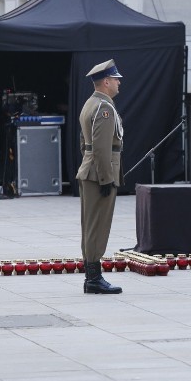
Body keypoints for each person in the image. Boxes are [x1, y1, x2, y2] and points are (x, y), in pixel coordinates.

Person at [76, 59, 124, 294]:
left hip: (89, 170)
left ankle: (91, 275)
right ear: (106, 82)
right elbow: (102, 147)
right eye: (116, 79)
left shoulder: (90, 104)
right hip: (99, 175)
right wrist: (106, 178)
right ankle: (93, 278)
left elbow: (83, 144)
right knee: (97, 227)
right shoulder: (105, 108)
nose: (118, 84)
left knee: (90, 226)